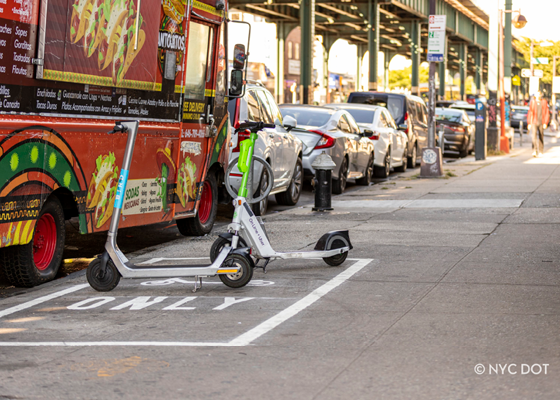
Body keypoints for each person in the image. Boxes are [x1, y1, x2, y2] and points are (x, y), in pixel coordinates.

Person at [527, 91, 550, 157]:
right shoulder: (533, 102)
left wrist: (545, 122)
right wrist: (529, 123)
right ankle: (534, 150)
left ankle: (541, 150)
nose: (538, 96)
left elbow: (546, 112)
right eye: (537, 94)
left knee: (541, 136)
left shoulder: (544, 102)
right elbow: (530, 112)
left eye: (539, 94)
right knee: (534, 137)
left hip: (541, 122)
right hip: (534, 122)